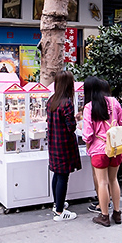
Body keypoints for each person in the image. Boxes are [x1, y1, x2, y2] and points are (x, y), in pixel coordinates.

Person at [82, 76, 122, 227]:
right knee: (114, 180)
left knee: (102, 182)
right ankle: (117, 213)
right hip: (115, 147)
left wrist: (88, 147)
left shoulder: (89, 107)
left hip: (99, 149)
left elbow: (88, 134)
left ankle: (104, 215)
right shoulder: (114, 102)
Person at [47, 71, 82, 222]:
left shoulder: (52, 100)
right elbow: (71, 127)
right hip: (64, 145)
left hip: (54, 143)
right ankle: (60, 212)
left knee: (57, 174)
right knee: (63, 176)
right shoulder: (67, 103)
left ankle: (57, 204)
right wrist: (75, 120)